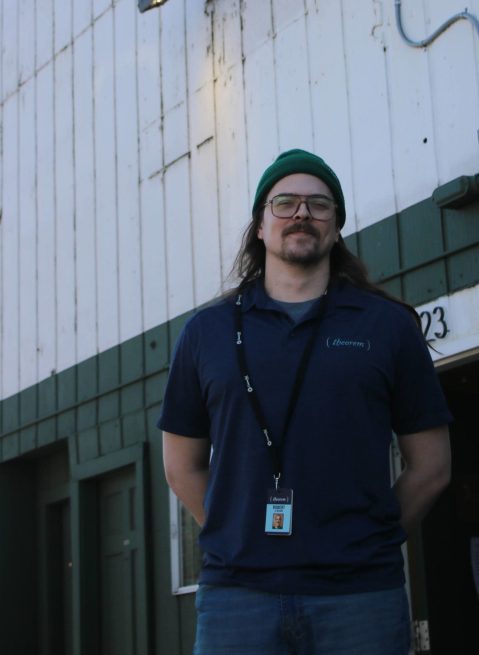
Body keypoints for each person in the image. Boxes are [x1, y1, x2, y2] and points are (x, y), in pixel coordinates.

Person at [160, 149, 452, 654]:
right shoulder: (205, 333)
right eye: (285, 203)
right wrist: (236, 533)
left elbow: (432, 466)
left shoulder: (386, 327)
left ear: (336, 227)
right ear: (259, 226)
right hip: (236, 600)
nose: (302, 214)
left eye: (319, 205)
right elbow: (180, 465)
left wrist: (367, 542)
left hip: (360, 597)